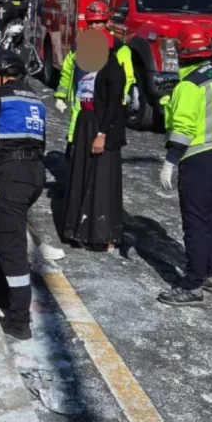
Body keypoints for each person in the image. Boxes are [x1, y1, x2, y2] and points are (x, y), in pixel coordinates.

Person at [157, 24, 212, 307]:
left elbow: (184, 126)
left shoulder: (188, 85)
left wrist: (170, 161)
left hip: (200, 159)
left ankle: (192, 286)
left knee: (195, 224)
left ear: (182, 53)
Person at [0, 50, 47, 340]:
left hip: (12, 173)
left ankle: (19, 319)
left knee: (12, 245)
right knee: (2, 228)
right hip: (34, 173)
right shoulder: (35, 99)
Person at [61, 22, 127, 252]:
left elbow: (114, 106)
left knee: (101, 182)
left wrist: (102, 134)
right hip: (85, 123)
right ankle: (78, 230)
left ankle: (101, 235)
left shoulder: (113, 70)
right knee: (81, 175)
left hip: (100, 127)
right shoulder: (90, 68)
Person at [55, 0, 112, 159]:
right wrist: (61, 95)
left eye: (98, 22)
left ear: (107, 22)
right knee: (74, 155)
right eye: (91, 22)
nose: (94, 26)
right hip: (80, 106)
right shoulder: (79, 47)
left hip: (101, 109)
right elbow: (67, 70)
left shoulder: (117, 48)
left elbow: (126, 78)